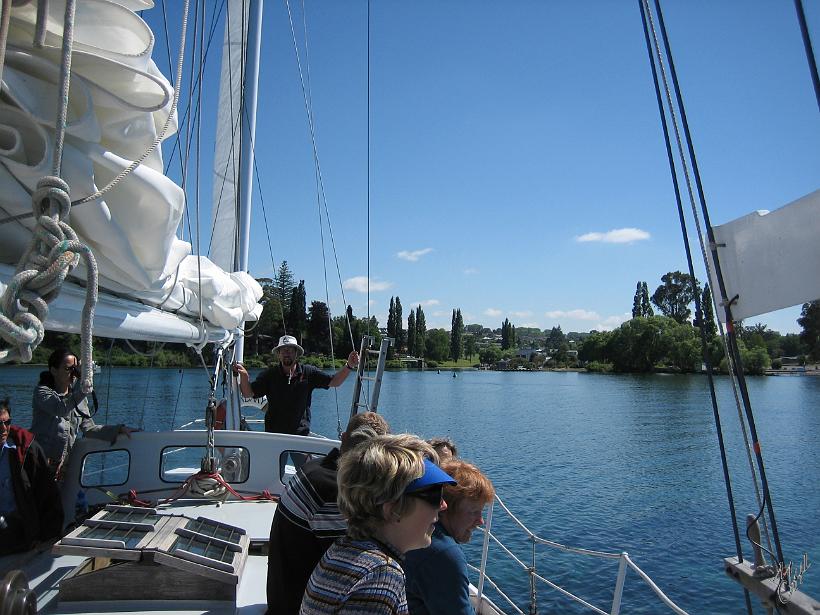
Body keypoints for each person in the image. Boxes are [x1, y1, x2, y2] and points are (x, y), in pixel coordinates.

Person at [300, 435, 455, 615]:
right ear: (393, 509)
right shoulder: (381, 575)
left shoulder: (343, 548)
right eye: (434, 495)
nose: (444, 505)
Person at [267, 411, 391, 614]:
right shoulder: (334, 490)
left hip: (284, 598)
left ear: (343, 438)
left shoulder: (313, 469)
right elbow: (348, 562)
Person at [404, 459, 495, 615]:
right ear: (445, 508)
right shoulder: (443, 554)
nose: (480, 521)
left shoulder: (411, 535)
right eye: (473, 512)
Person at [30, 348, 136, 477]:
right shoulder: (42, 392)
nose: (73, 373)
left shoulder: (78, 398)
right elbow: (61, 409)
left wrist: (119, 429)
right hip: (39, 462)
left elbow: (89, 429)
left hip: (63, 466)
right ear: (54, 370)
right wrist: (83, 387)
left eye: (75, 368)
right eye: (68, 369)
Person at [232, 335, 359, 436]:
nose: (287, 353)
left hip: (300, 436)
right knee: (273, 469)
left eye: (291, 350)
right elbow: (249, 393)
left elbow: (335, 381)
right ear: (279, 354)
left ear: (296, 353)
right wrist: (244, 377)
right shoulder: (269, 375)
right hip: (274, 436)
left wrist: (349, 366)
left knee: (305, 469)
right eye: (283, 350)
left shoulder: (309, 373)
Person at [0, 398, 64, 555]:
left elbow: (48, 494)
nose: (3, 429)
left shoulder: (26, 451)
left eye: (7, 423)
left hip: (16, 527)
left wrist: (46, 536)